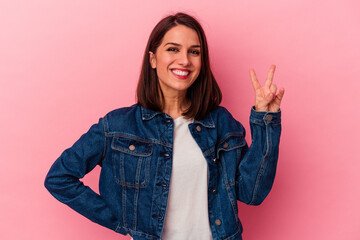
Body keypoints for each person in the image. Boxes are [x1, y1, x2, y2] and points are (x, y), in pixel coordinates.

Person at [44, 12, 285, 240]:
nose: (184, 60)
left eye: (194, 52)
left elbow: (252, 194)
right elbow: (59, 178)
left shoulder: (220, 123)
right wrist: (120, 223)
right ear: (153, 59)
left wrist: (266, 119)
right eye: (173, 49)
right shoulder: (118, 126)